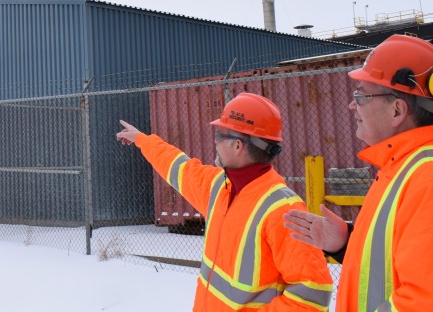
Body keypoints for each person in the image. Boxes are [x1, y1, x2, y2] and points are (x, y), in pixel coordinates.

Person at [283, 34, 433, 311]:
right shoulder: (405, 167)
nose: (352, 105)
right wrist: (347, 242)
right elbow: (398, 266)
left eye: (361, 95)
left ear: (397, 110)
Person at [117, 92, 332, 311]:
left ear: (237, 146)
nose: (215, 140)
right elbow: (177, 166)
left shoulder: (283, 210)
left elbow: (312, 297)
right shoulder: (219, 187)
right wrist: (142, 140)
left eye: (220, 134)